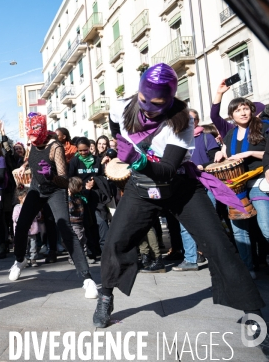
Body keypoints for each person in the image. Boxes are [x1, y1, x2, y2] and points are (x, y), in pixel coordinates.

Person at [93, 63, 265, 338]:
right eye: (144, 101)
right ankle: (105, 296)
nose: (148, 109)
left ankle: (254, 314)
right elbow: (116, 126)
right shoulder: (122, 106)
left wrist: (136, 160)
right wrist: (118, 144)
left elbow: (166, 170)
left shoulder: (182, 120)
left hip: (179, 186)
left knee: (219, 246)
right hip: (141, 189)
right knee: (116, 241)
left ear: (169, 99)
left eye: (156, 104)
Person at [10, 112, 98, 299]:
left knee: (66, 229)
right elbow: (30, 158)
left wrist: (51, 176)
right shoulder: (32, 143)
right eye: (29, 136)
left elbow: (66, 182)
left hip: (55, 190)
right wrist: (24, 166)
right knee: (22, 225)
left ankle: (87, 279)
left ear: (42, 131)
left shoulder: (55, 146)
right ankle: (20, 260)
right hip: (36, 188)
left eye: (34, 135)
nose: (32, 139)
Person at [212, 96, 269, 277]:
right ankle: (248, 268)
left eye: (245, 108)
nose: (242, 113)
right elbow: (227, 154)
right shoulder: (230, 134)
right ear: (232, 115)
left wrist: (250, 152)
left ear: (251, 110)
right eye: (237, 110)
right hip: (237, 186)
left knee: (266, 228)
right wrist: (221, 154)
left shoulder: (263, 127)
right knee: (239, 231)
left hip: (259, 181)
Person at [174, 109, 221, 272]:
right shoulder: (178, 140)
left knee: (209, 223)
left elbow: (216, 160)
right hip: (185, 186)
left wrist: (203, 167)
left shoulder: (207, 138)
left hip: (206, 185)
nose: (189, 121)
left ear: (197, 120)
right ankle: (190, 259)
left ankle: (215, 258)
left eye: (192, 118)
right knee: (185, 225)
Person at [68, 137, 110, 258]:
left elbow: (103, 176)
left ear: (90, 148)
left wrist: (95, 182)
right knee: (87, 224)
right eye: (80, 151)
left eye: (85, 150)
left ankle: (105, 250)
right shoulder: (74, 161)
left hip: (96, 196)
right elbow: (70, 179)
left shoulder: (97, 160)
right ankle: (91, 251)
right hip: (81, 197)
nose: (83, 153)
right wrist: (81, 186)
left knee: (101, 222)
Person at [12, 184, 39, 267]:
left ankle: (33, 258)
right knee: (25, 246)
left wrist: (38, 215)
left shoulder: (31, 206)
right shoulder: (17, 207)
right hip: (23, 231)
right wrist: (21, 220)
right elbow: (14, 217)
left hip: (32, 230)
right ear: (20, 198)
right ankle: (25, 259)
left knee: (33, 246)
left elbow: (38, 214)